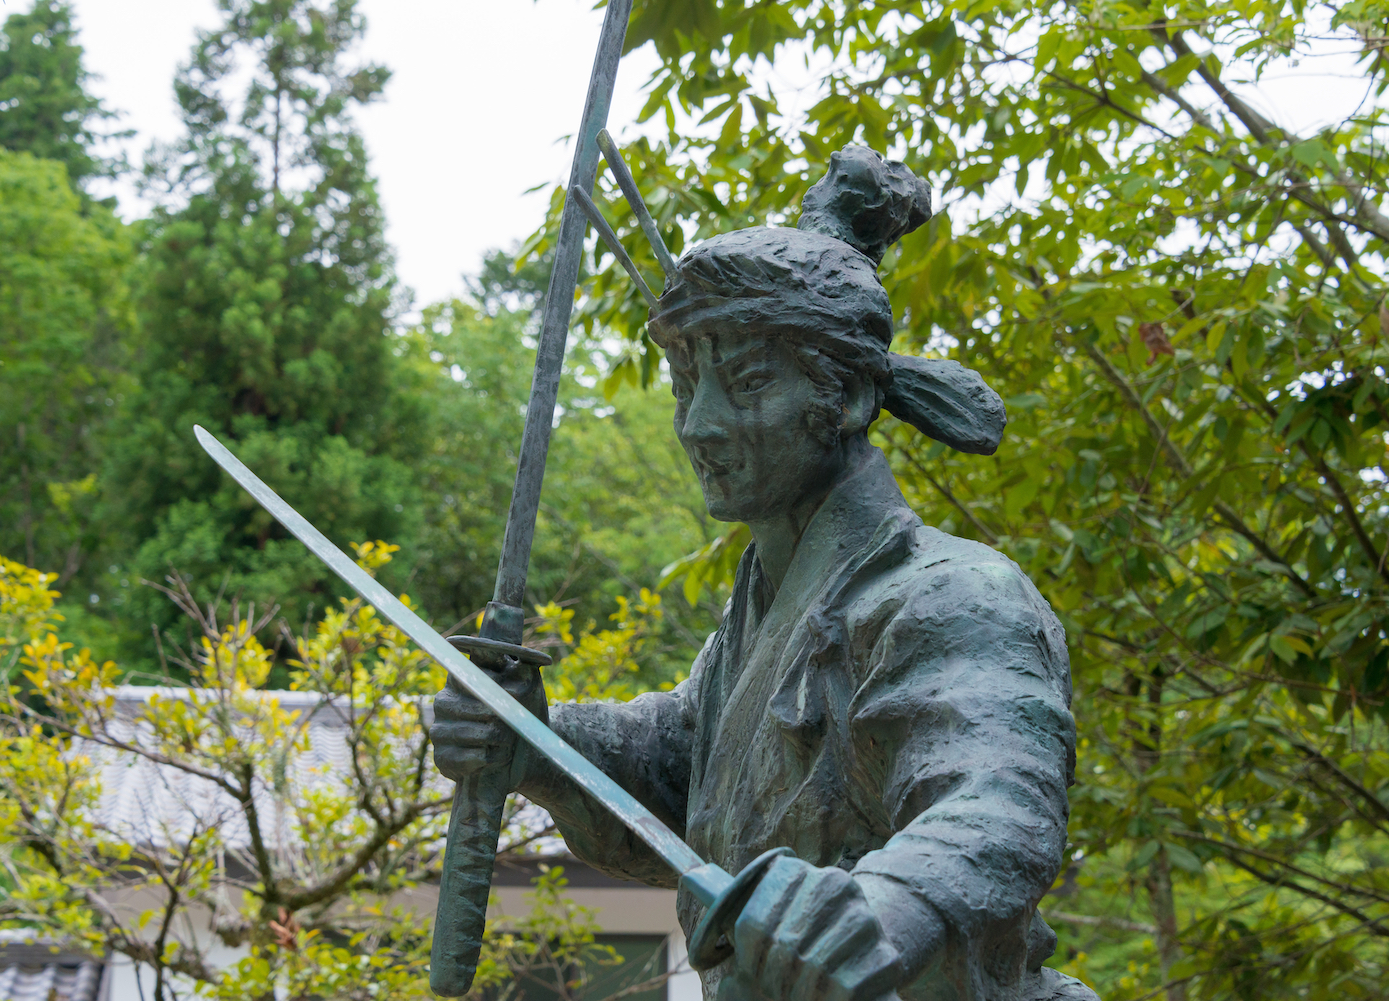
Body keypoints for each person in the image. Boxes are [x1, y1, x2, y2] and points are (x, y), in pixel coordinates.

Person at [431, 147, 1099, 1001]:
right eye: (685, 384)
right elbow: (684, 760)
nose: (699, 424)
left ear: (849, 397)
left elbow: (995, 801)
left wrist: (879, 909)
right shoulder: (763, 606)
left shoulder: (954, 593)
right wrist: (539, 739)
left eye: (745, 382)